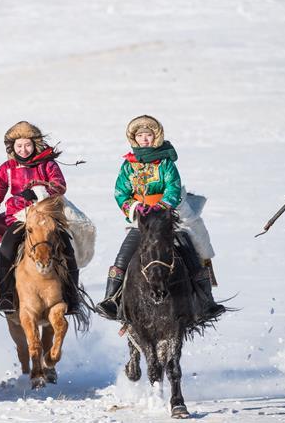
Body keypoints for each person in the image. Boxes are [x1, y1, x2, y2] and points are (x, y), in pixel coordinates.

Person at [95, 115, 224, 322]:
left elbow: (173, 187)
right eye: (140, 135)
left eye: (148, 135)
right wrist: (135, 207)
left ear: (156, 137)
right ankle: (112, 300)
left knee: (192, 251)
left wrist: (161, 208)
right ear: (134, 138)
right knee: (123, 257)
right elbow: (121, 192)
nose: (144, 139)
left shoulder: (166, 162)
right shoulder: (128, 165)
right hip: (141, 219)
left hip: (170, 216)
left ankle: (206, 301)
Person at [0, 121, 82, 315]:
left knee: (67, 248)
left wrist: (37, 192)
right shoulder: (7, 168)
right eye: (19, 146)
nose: (24, 150)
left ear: (35, 145)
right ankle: (7, 296)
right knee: (6, 251)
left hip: (46, 216)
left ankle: (72, 296)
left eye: (27, 145)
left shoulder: (48, 164)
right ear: (12, 147)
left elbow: (59, 186)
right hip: (20, 217)